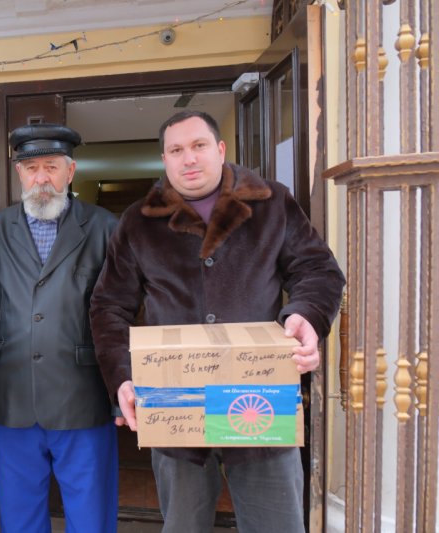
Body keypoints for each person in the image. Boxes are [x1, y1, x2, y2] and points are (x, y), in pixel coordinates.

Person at [89, 110, 346, 533]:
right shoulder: (138, 221)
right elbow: (108, 306)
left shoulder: (272, 203)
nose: (188, 158)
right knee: (183, 525)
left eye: (199, 145)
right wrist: (123, 376)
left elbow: (318, 271)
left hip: (259, 397)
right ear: (164, 160)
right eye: (176, 150)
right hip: (175, 401)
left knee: (275, 524)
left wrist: (307, 315)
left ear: (220, 149)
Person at [0, 124, 119, 533]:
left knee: (91, 511)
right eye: (31, 167)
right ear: (19, 173)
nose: (41, 178)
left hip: (84, 394)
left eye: (51, 167)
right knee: (18, 512)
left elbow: (119, 314)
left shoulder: (105, 227)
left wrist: (121, 390)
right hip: (11, 393)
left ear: (70, 172)